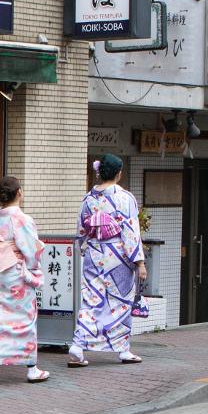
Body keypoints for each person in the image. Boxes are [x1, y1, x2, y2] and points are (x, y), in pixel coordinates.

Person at [0, 175, 50, 386]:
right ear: (20, 193)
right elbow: (31, 251)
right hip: (16, 274)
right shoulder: (22, 219)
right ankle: (32, 368)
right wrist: (33, 270)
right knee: (25, 318)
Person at [69, 153, 146, 367]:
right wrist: (139, 262)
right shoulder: (125, 198)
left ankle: (78, 345)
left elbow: (81, 229)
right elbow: (131, 231)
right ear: (119, 174)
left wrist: (83, 248)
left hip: (94, 254)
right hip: (118, 255)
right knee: (120, 301)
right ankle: (122, 348)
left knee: (91, 299)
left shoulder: (88, 198)